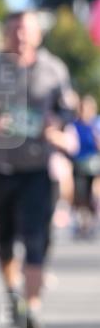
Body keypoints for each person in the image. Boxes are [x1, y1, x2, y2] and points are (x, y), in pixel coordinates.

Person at [0, 10, 76, 328]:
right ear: (5, 35)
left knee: (37, 240)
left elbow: (67, 109)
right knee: (6, 242)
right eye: (14, 31)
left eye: (26, 31)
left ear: (38, 34)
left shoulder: (54, 69)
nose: (21, 37)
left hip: (38, 167)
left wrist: (57, 124)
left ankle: (33, 307)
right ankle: (13, 291)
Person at [72, 94, 100, 237]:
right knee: (81, 194)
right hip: (79, 163)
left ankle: (92, 219)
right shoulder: (74, 124)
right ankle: (83, 222)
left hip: (95, 163)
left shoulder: (97, 123)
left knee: (94, 192)